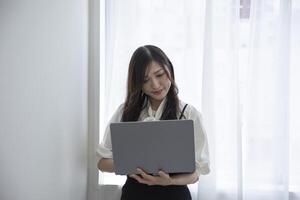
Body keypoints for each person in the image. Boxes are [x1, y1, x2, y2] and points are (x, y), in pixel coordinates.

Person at [97, 45, 210, 200]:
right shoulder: (126, 112)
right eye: (145, 80)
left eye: (159, 75)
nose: (155, 85)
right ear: (137, 83)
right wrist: (133, 165)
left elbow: (196, 173)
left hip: (175, 195)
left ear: (169, 69)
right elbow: (102, 163)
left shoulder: (189, 114)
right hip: (134, 195)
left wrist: (170, 181)